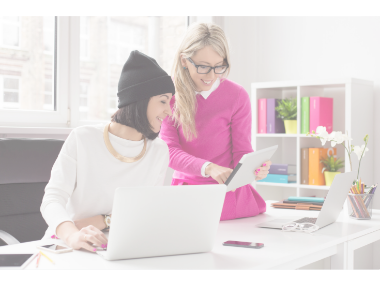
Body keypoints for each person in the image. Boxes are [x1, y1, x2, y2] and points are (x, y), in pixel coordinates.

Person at [40, 50, 175, 252]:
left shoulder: (159, 150)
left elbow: (146, 210)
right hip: (72, 244)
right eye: (163, 101)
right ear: (138, 99)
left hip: (123, 244)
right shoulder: (83, 138)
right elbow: (51, 200)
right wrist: (72, 235)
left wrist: (104, 220)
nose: (169, 110)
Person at [160, 22, 271, 221]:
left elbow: (241, 150)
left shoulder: (237, 95)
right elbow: (169, 152)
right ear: (184, 60)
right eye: (203, 67)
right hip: (187, 197)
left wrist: (253, 168)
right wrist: (209, 168)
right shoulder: (168, 96)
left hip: (230, 195)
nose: (212, 76)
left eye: (219, 66)